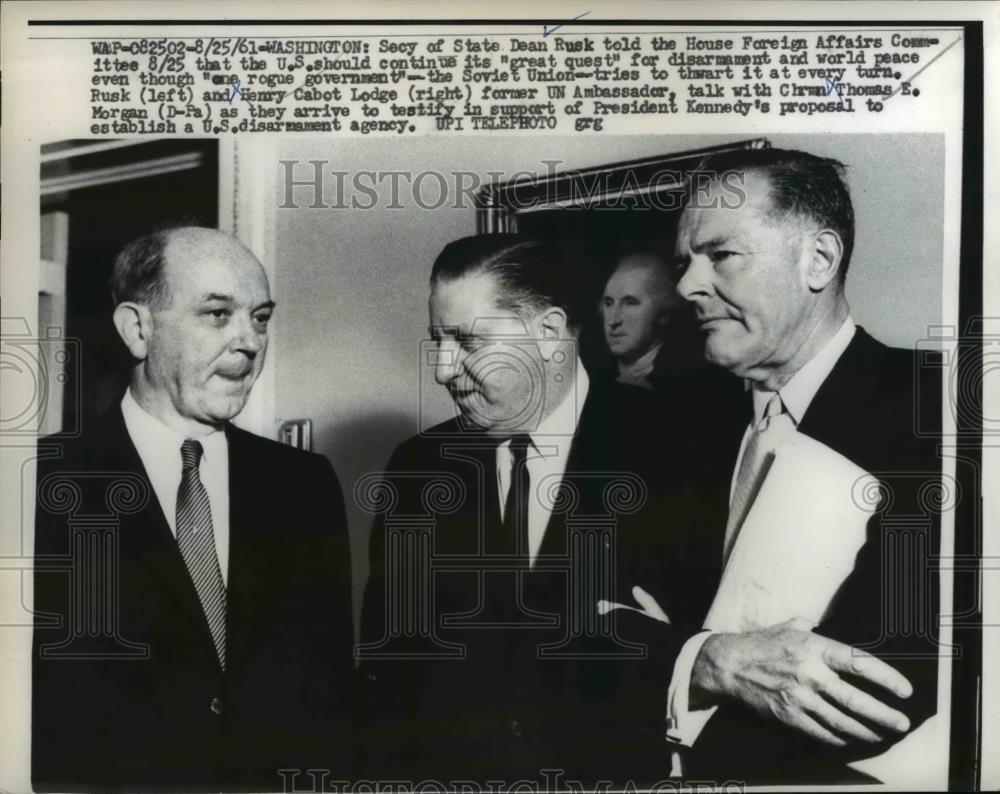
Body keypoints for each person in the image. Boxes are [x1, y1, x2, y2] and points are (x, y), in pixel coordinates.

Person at [627, 148, 942, 784]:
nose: (687, 284)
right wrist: (715, 663)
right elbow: (598, 632)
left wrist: (674, 659)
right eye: (686, 260)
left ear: (818, 260)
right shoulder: (672, 425)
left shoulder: (936, 412)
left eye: (721, 255)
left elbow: (885, 685)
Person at [32, 227, 356, 790]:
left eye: (260, 317)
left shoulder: (304, 484)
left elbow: (328, 688)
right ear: (138, 329)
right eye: (216, 314)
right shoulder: (38, 482)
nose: (250, 342)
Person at [359, 234, 678, 785]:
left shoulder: (679, 448)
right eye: (437, 340)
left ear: (550, 332)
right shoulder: (416, 470)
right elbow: (389, 676)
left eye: (466, 341)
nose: (442, 369)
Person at [599, 250, 697, 390]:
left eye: (630, 303)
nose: (613, 321)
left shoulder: (688, 383)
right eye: (608, 303)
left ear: (663, 314)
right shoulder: (594, 378)